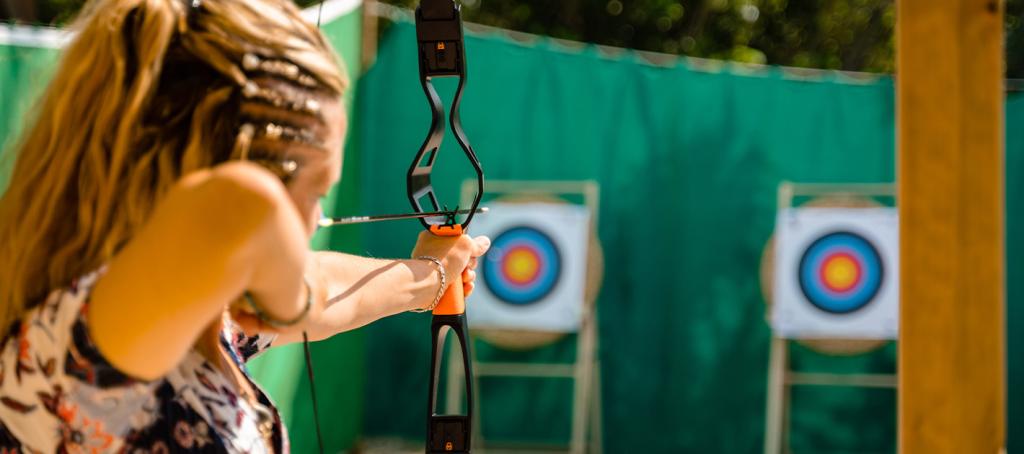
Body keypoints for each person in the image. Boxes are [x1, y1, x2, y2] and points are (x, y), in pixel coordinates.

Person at [0, 0, 490, 451]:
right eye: (314, 191)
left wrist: (432, 275)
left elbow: (327, 289)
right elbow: (243, 208)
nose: (317, 217)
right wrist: (293, 301)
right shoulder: (88, 335)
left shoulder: (203, 315)